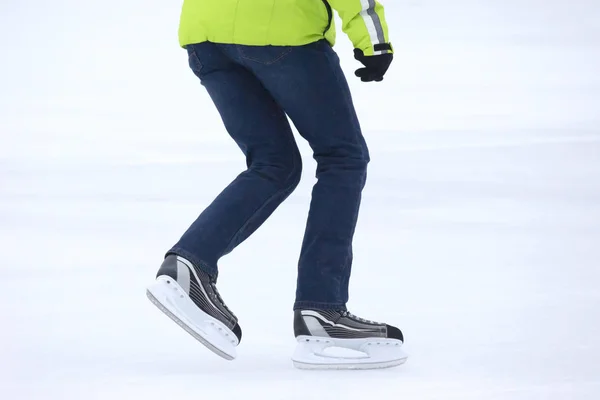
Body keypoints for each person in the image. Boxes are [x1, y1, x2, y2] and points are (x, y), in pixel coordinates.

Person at [147, 0, 406, 369]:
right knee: (342, 158)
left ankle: (188, 266)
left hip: (205, 33)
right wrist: (373, 39)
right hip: (281, 27)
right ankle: (322, 309)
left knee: (275, 163)